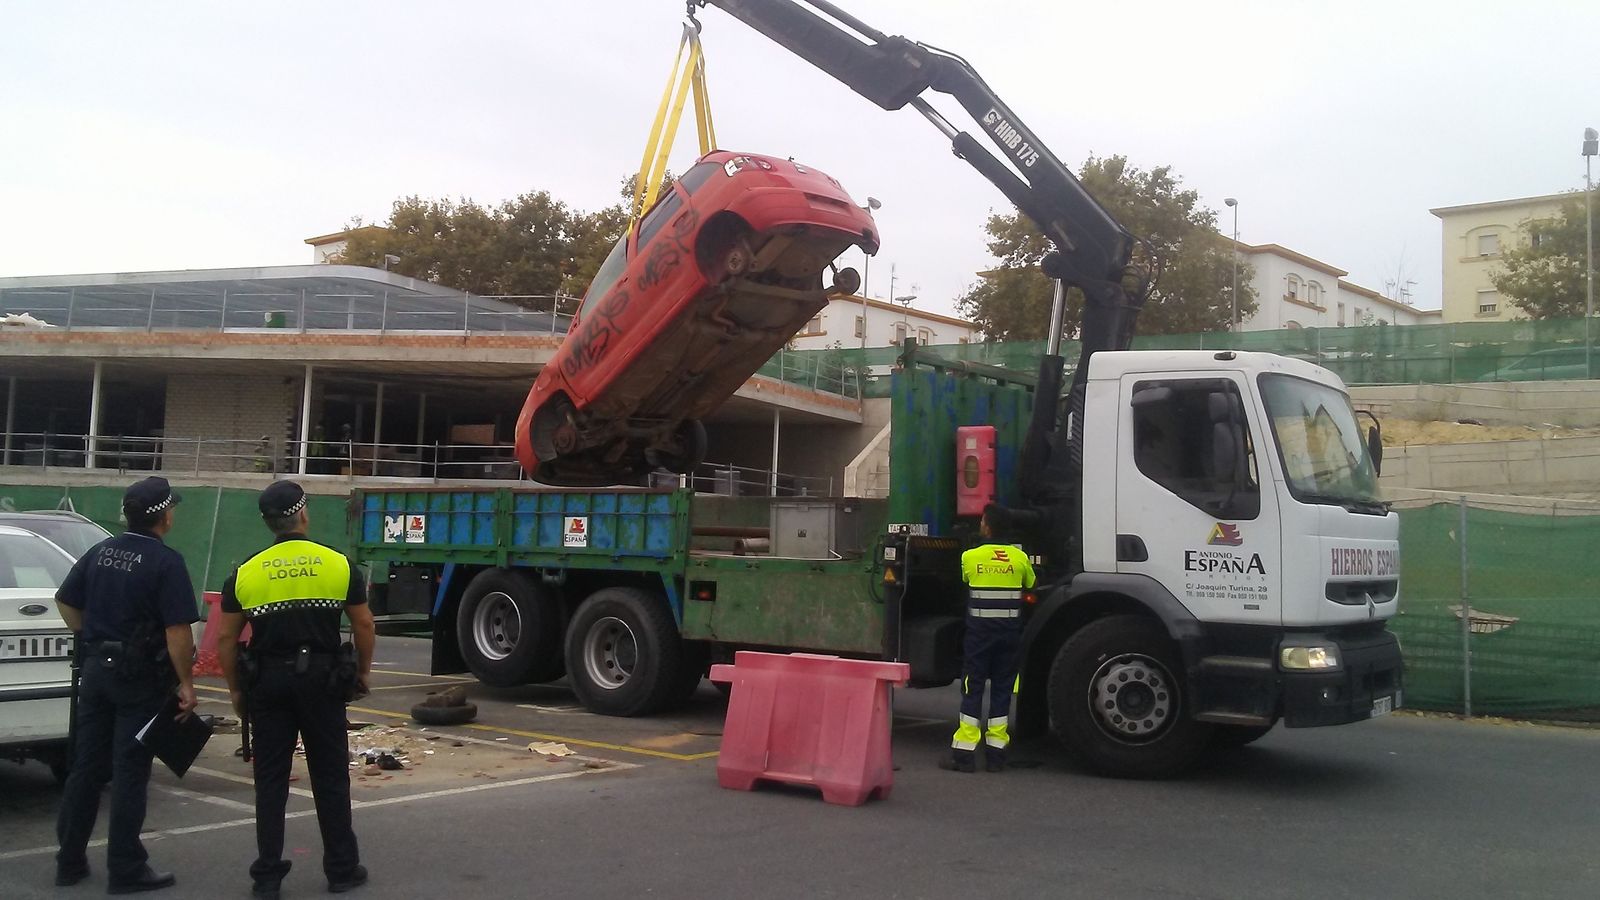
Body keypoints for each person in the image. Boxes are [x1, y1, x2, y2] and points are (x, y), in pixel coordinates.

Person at [216, 481, 375, 898]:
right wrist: (363, 672)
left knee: (270, 781)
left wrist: (236, 691)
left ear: (269, 524)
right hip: (322, 681)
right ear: (304, 514)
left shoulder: (247, 571)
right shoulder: (337, 564)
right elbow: (364, 624)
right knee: (330, 777)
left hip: (267, 683)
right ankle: (342, 869)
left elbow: (227, 639)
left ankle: (267, 876)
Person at [54, 476, 198, 894]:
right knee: (130, 771)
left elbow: (66, 600)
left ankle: (70, 861)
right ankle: (126, 868)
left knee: (85, 768)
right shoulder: (166, 562)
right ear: (164, 516)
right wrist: (186, 683)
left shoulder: (100, 551)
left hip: (97, 670)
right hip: (139, 678)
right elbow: (177, 630)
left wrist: (93, 639)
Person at [944, 504, 1036, 773]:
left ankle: (964, 757)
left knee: (972, 690)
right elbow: (1030, 584)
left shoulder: (970, 557)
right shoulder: (1020, 558)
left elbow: (965, 581)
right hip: (1009, 637)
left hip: (979, 638)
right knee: (1002, 692)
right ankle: (996, 757)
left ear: (986, 525)